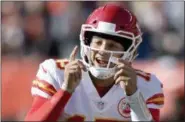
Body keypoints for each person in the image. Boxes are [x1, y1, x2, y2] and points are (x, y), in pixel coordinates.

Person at [25, 4, 164, 122]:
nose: (102, 51)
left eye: (112, 46)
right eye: (98, 42)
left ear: (130, 51)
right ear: (86, 42)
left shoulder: (145, 85)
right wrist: (65, 90)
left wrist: (133, 95)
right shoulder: (56, 73)